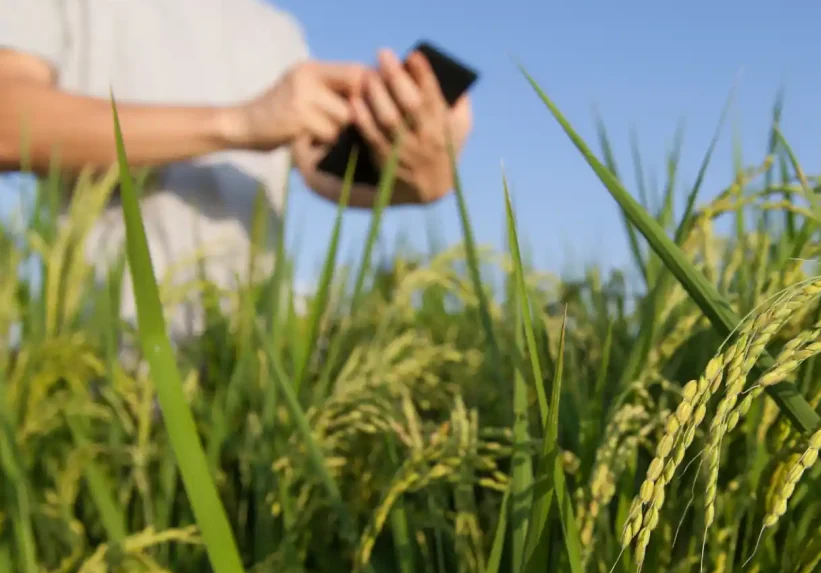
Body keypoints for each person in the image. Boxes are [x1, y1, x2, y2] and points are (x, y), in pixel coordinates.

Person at [0, 0, 473, 338]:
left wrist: (418, 177)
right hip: (99, 350)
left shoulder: (274, 29)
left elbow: (317, 168)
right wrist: (239, 123)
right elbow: (8, 117)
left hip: (246, 362)